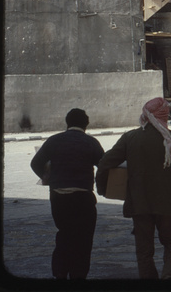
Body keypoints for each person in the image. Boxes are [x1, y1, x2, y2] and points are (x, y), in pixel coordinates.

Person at [96, 97, 171, 279]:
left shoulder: (131, 138)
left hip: (140, 204)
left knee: (144, 251)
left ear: (145, 114)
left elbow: (105, 163)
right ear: (165, 115)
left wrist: (103, 188)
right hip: (169, 205)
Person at [30, 109, 104, 280]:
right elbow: (104, 165)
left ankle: (60, 272)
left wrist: (48, 178)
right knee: (83, 239)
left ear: (67, 123)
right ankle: (78, 275)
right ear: (86, 124)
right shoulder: (91, 142)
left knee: (64, 234)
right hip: (82, 197)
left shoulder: (53, 140)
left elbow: (35, 163)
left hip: (58, 197)